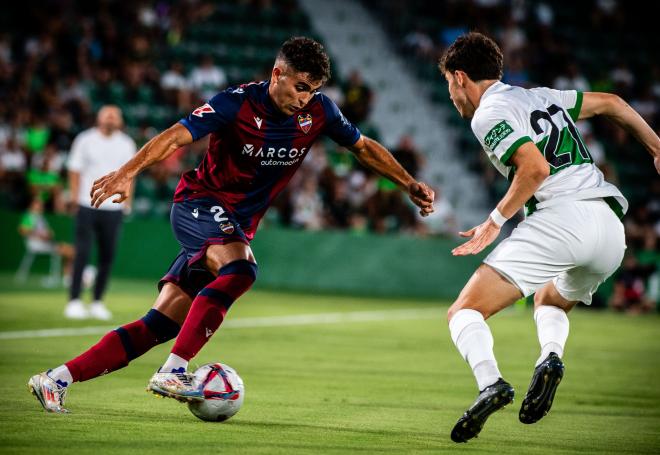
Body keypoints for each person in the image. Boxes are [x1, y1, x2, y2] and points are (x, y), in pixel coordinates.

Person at [28, 37, 435, 413]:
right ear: (277, 74)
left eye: (312, 89)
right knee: (241, 269)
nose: (304, 97)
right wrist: (126, 171)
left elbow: (364, 148)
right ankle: (173, 370)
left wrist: (409, 184)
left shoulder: (319, 111)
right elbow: (174, 136)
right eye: (299, 86)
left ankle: (55, 379)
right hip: (199, 205)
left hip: (231, 224)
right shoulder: (236, 103)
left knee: (159, 325)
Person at [438, 32, 660, 443]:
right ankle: (551, 357)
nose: (451, 95)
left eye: (449, 84)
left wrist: (495, 220)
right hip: (610, 228)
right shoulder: (540, 96)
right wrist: (656, 146)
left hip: (561, 218)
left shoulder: (488, 112)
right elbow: (613, 104)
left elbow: (535, 169)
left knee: (464, 313)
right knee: (550, 298)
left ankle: (491, 383)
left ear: (460, 77)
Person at [64, 106, 136, 320]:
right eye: (107, 114)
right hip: (87, 204)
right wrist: (75, 198)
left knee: (107, 256)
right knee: (82, 253)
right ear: (99, 117)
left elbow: (131, 174)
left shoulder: (127, 143)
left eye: (115, 115)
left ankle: (97, 302)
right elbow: (74, 170)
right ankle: (74, 301)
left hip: (113, 208)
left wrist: (127, 203)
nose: (111, 118)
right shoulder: (84, 139)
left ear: (120, 120)